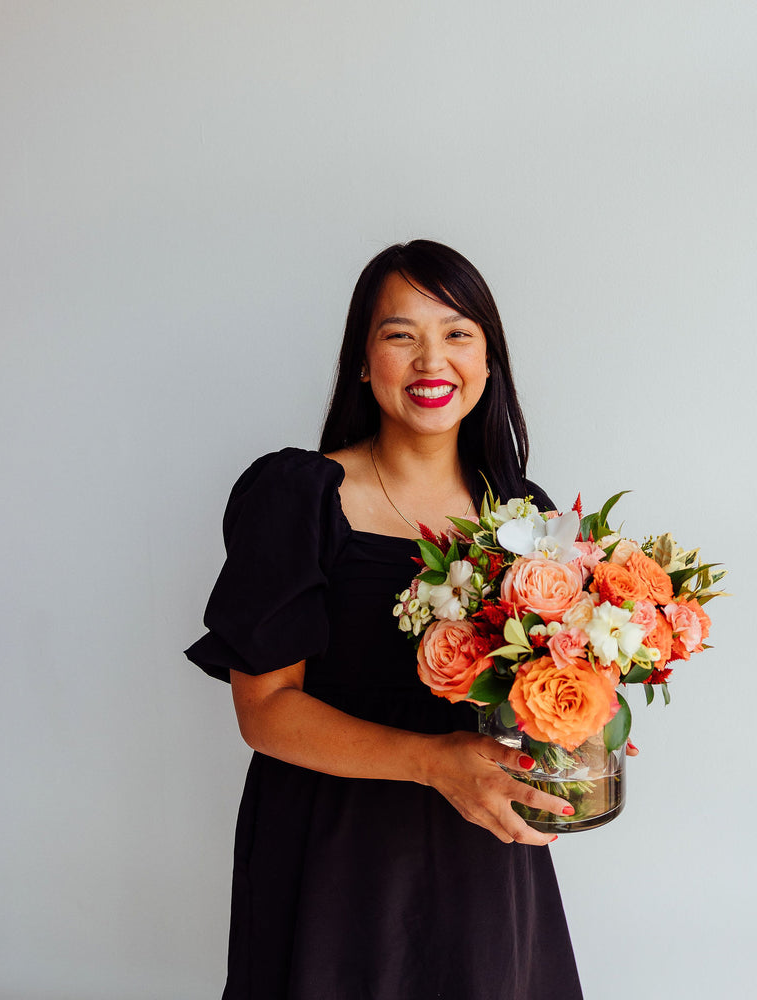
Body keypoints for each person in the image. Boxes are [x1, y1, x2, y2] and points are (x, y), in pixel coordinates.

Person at [185, 240, 585, 999]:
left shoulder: (524, 514)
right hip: (332, 855)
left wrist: (590, 730)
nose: (432, 360)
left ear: (489, 361)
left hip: (482, 857)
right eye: (401, 335)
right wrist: (435, 764)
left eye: (458, 333)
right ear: (364, 362)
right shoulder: (297, 495)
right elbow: (264, 713)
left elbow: (535, 695)